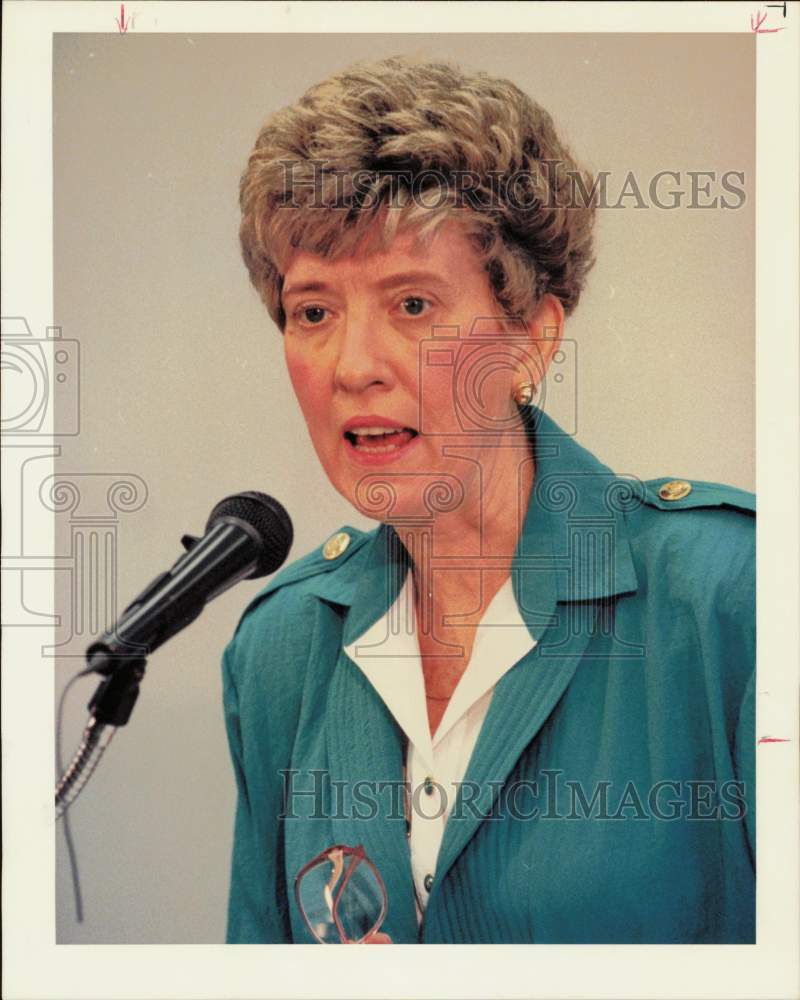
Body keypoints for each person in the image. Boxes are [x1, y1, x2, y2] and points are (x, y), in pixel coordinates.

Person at [222, 55, 755, 944]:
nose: (354, 365)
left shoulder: (734, 596)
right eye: (313, 312)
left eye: (415, 303)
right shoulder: (278, 650)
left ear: (531, 340)